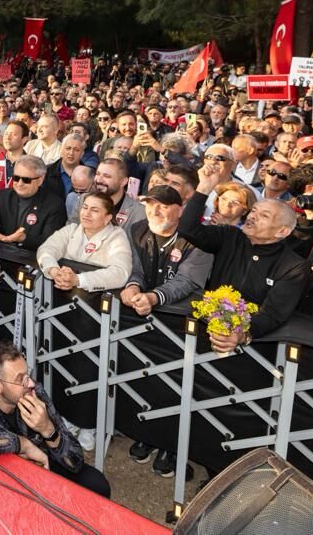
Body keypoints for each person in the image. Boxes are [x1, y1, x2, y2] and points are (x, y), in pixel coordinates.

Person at [120, 185, 212, 476]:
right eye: (149, 205)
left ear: (180, 210)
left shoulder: (198, 239)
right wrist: (132, 286)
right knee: (144, 377)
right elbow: (133, 267)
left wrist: (153, 297)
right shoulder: (135, 229)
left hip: (182, 326)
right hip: (142, 319)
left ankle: (171, 448)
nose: (154, 211)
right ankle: (147, 435)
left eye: (163, 206)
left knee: (178, 385)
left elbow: (188, 282)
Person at [178, 162, 311, 351]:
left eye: (264, 215)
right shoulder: (230, 236)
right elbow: (187, 229)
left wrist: (242, 334)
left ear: (282, 231)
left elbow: (273, 314)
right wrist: (204, 188)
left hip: (253, 349)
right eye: (254, 211)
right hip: (204, 333)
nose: (252, 217)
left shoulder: (293, 266)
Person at [0, 341, 111, 498]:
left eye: (27, 374)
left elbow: (76, 461)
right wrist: (24, 445)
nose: (30, 382)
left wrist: (48, 429)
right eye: (20, 379)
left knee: (96, 484)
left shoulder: (33, 392)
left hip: (40, 466)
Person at [36, 192, 132, 293]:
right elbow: (46, 249)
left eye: (94, 210)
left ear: (108, 218)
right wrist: (55, 271)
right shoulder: (71, 229)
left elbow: (120, 273)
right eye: (85, 207)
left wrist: (78, 280)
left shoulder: (116, 236)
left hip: (96, 300)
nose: (87, 213)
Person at [0, 154, 67, 254]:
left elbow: (50, 242)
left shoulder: (54, 205)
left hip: (32, 259)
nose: (19, 183)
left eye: (26, 180)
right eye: (16, 178)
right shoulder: (4, 196)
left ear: (40, 180)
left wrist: (24, 238)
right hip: (2, 255)